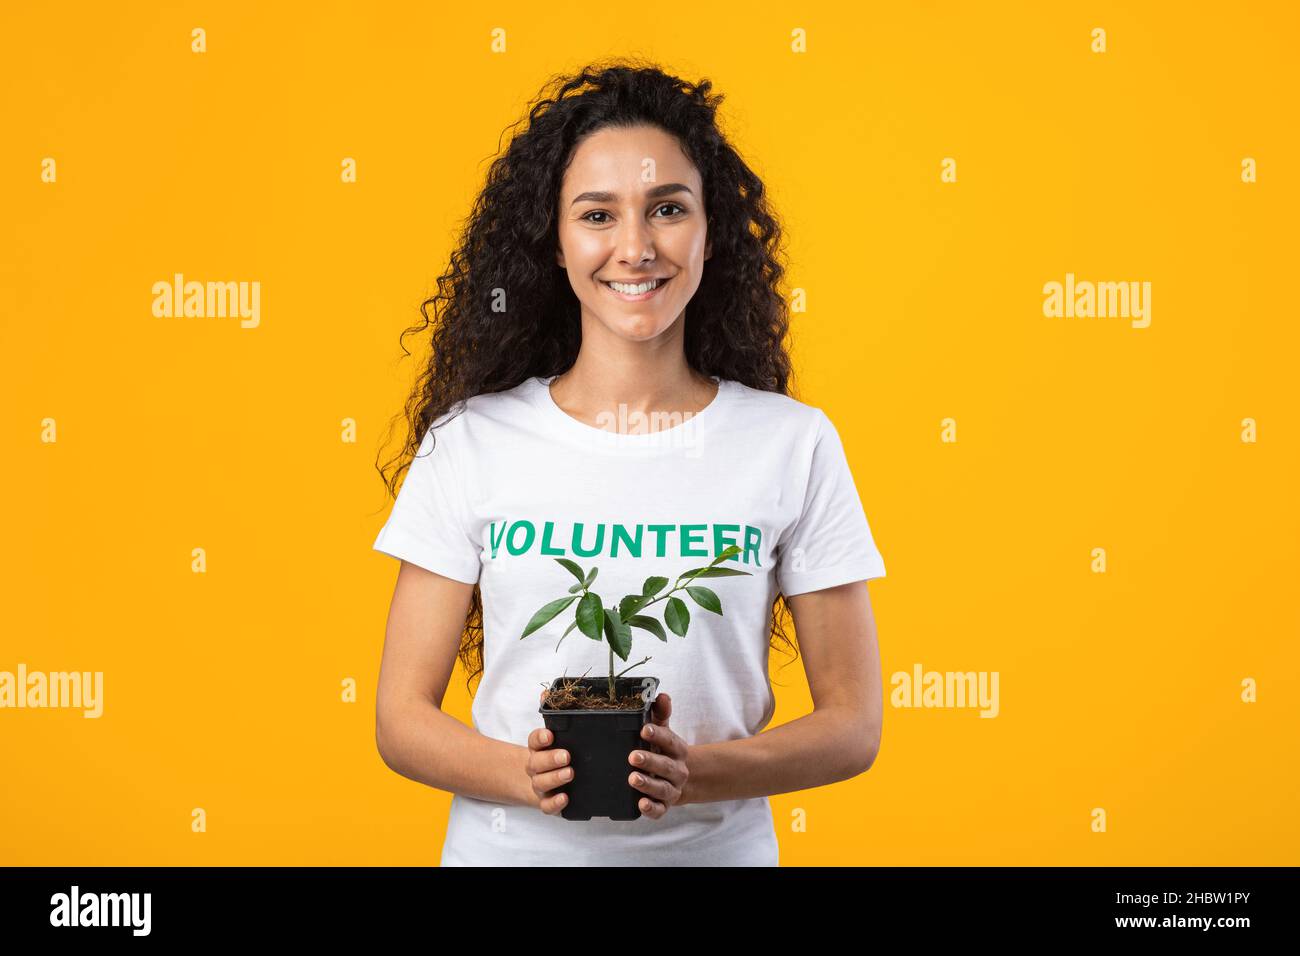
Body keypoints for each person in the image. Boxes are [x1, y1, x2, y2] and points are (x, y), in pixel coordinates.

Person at [371, 59, 886, 866]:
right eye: (598, 215)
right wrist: (525, 773)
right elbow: (401, 719)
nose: (636, 247)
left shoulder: (793, 443)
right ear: (557, 240)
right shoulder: (472, 440)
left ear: (711, 232)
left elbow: (853, 725)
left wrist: (695, 773)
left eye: (668, 209)